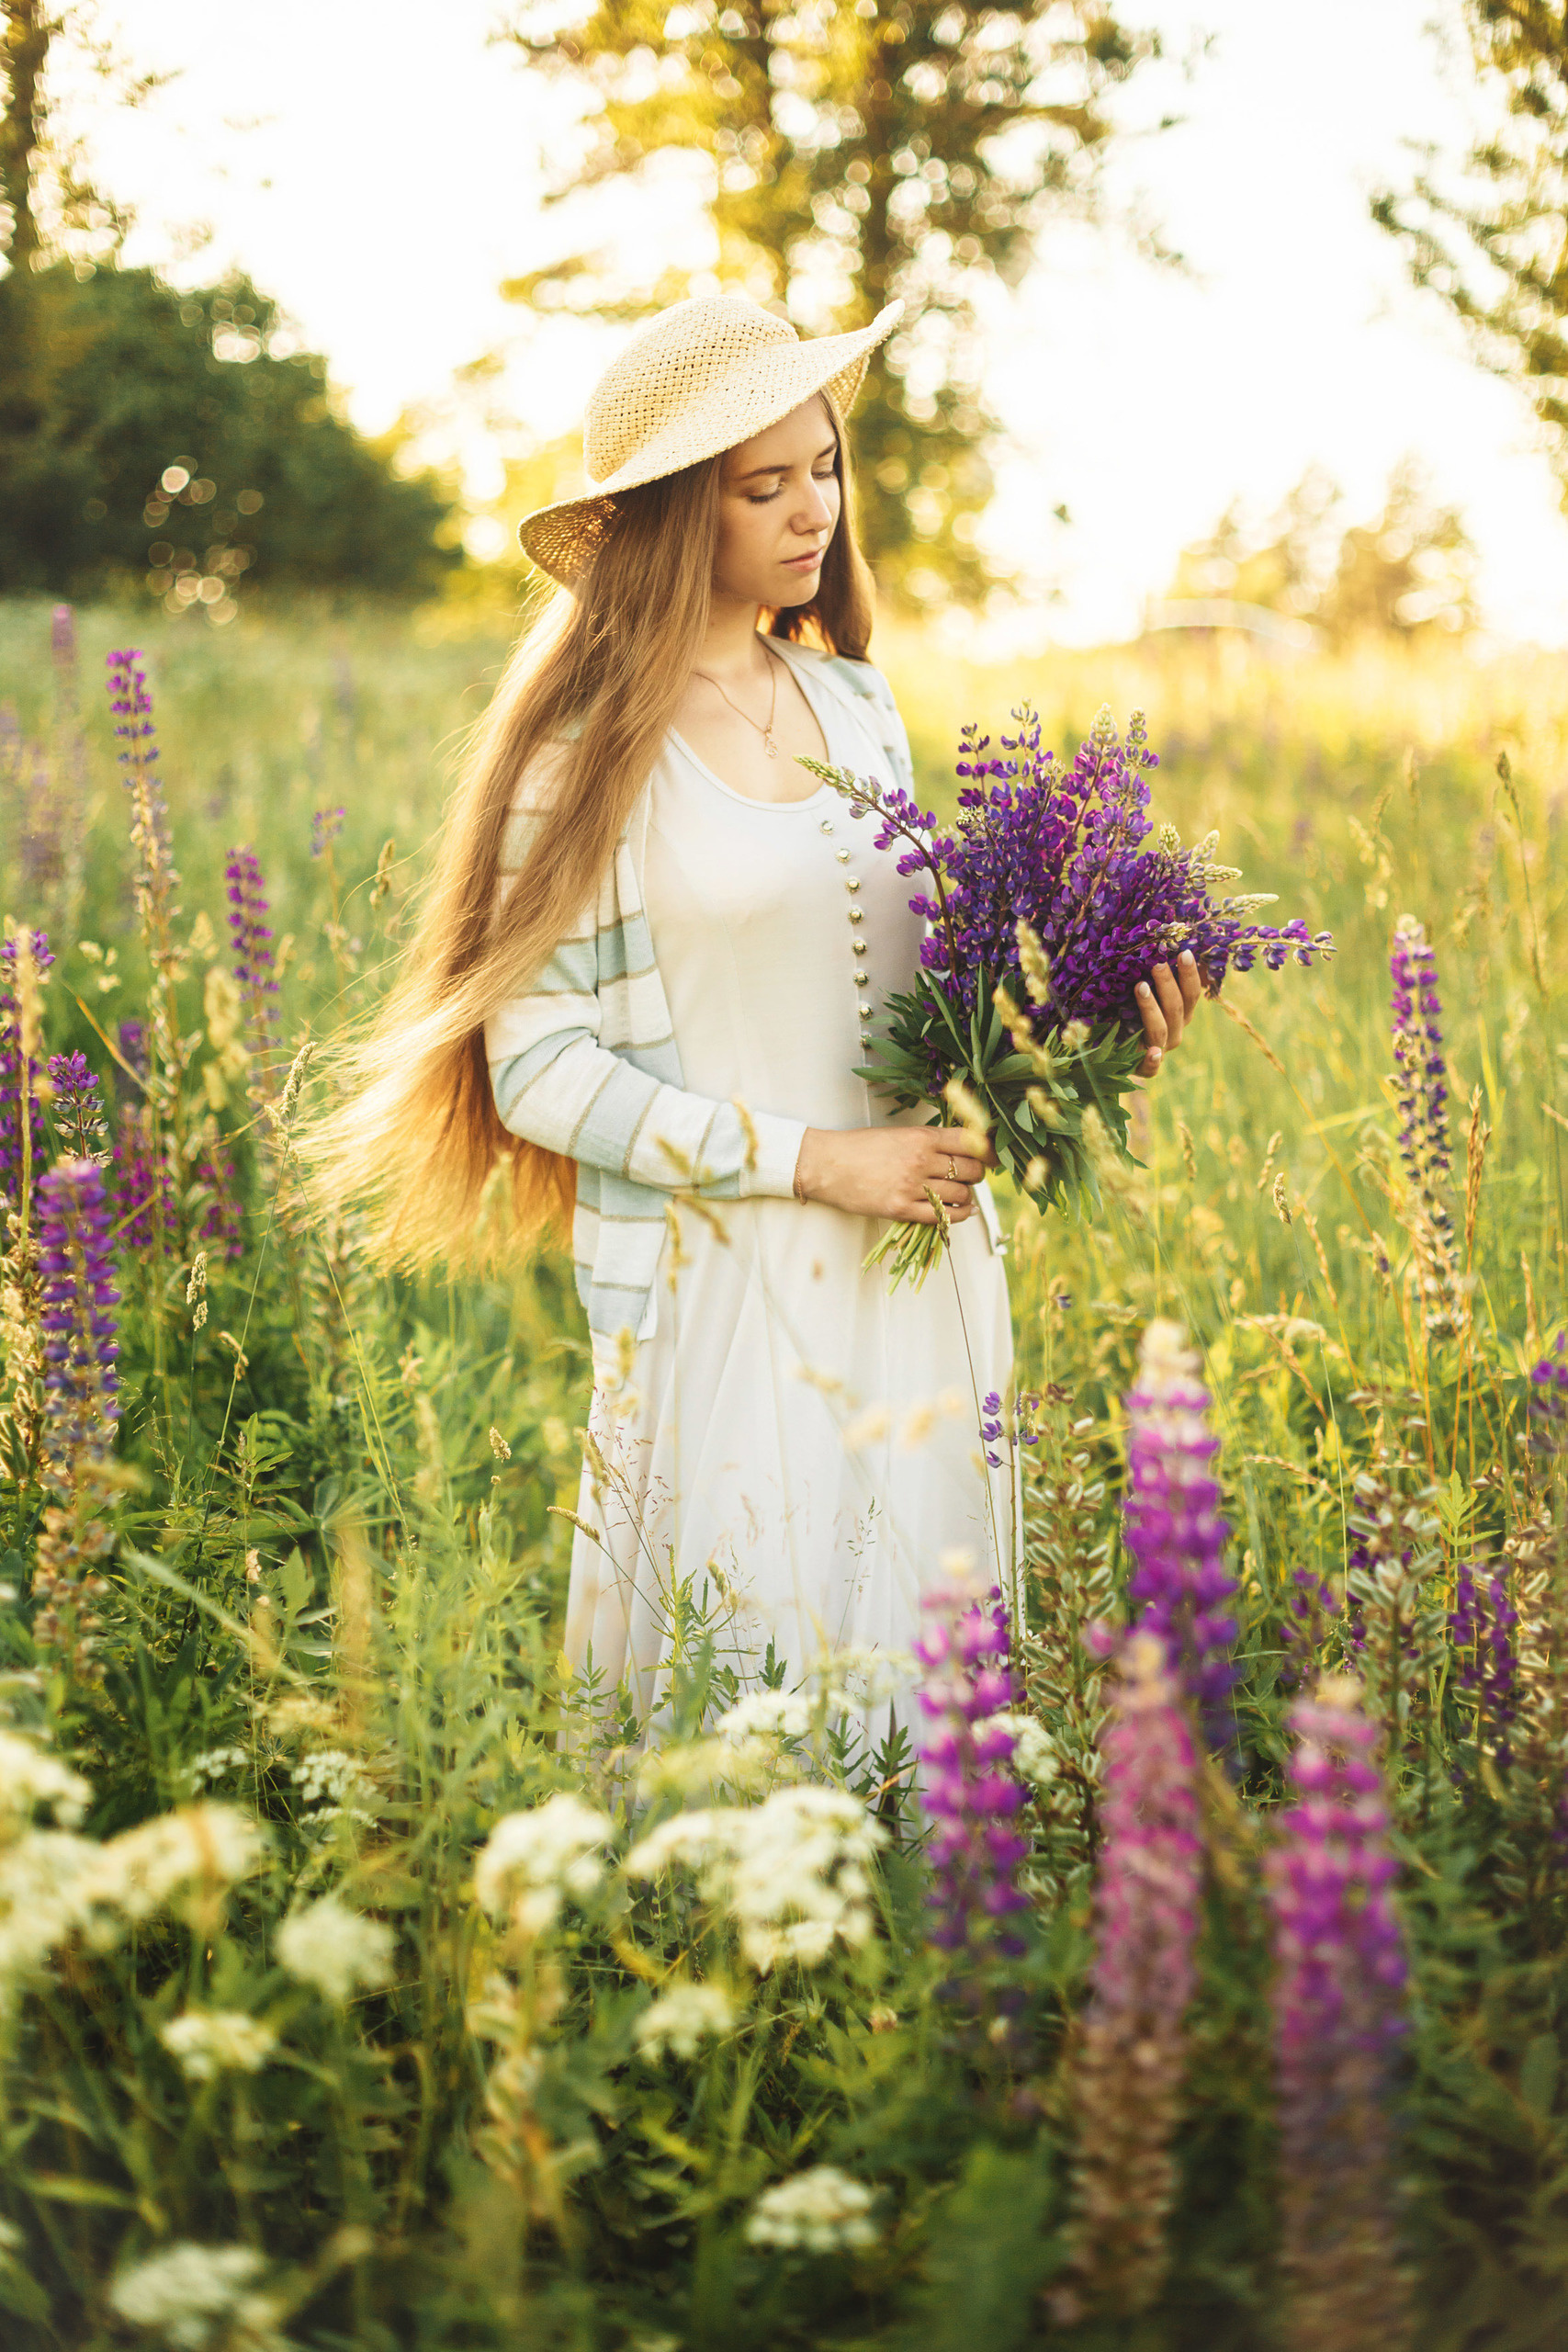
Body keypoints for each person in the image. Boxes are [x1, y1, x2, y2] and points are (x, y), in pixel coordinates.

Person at [309, 292, 1201, 1734]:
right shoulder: (583, 750)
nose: (811, 512)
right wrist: (815, 1160)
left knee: (924, 1718)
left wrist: (1093, 1028)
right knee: (746, 1712)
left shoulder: (857, 704)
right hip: (727, 1280)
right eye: (762, 483)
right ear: (675, 510)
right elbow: (537, 1067)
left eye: (825, 469)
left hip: (923, 1263)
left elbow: (928, 1002)